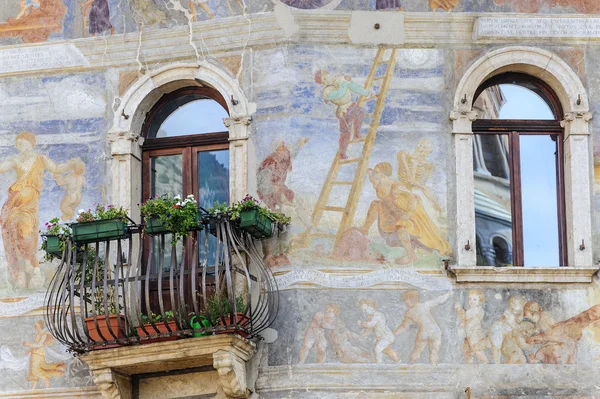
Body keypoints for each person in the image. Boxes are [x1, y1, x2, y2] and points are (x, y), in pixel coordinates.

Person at [0, 132, 71, 289]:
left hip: (30, 204)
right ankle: (21, 272)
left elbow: (57, 169)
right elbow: (2, 167)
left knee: (26, 232)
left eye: (24, 144)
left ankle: (29, 265)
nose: (22, 148)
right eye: (19, 145)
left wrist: (72, 164)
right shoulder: (15, 160)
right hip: (15, 202)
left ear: (32, 143)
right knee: (14, 232)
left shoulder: (41, 159)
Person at [314, 69, 370, 160]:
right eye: (323, 82)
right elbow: (340, 94)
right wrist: (345, 82)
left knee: (360, 112)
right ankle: (342, 154)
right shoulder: (327, 91)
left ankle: (357, 134)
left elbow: (353, 87)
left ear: (329, 74)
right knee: (345, 133)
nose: (325, 82)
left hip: (351, 106)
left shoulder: (340, 79)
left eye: (325, 78)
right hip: (343, 111)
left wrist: (365, 93)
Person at [527, 305, 600, 364]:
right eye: (590, 310)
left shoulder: (585, 336)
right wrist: (540, 337)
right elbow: (556, 330)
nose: (589, 313)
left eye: (594, 314)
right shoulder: (571, 323)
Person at [394, 290, 451, 366]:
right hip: (435, 331)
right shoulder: (424, 305)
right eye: (405, 300)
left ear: (413, 299)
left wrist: (394, 333)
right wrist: (449, 294)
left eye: (408, 300)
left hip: (425, 332)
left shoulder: (409, 312)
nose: (406, 302)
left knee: (418, 351)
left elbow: (404, 326)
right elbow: (438, 300)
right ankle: (432, 368)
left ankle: (411, 366)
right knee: (433, 351)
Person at [23, 321, 66, 390]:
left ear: (40, 326)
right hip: (34, 354)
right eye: (35, 326)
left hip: (39, 354)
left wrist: (28, 345)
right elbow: (35, 343)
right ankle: (33, 389)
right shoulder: (37, 334)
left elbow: (39, 345)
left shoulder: (44, 335)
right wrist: (29, 350)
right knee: (33, 371)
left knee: (35, 370)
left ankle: (47, 384)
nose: (35, 327)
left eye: (37, 326)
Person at [358, 298, 399, 364]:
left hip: (386, 336)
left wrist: (361, 323)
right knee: (386, 350)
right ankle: (397, 361)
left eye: (365, 309)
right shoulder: (371, 316)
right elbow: (368, 330)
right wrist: (362, 336)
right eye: (363, 310)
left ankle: (379, 364)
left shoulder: (378, 315)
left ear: (371, 306)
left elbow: (370, 325)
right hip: (381, 337)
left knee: (377, 349)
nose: (364, 312)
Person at [489, 295, 526, 364]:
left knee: (516, 352)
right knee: (497, 347)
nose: (513, 305)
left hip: (508, 332)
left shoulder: (520, 314)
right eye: (512, 303)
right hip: (499, 329)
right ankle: (496, 363)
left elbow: (518, 323)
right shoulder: (508, 313)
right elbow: (512, 324)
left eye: (516, 304)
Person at [455, 289, 489, 363]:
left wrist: (464, 323)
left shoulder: (478, 310)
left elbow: (473, 321)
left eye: (475, 299)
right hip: (468, 334)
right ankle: (469, 363)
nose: (471, 301)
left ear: (480, 301)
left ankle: (485, 361)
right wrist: (459, 309)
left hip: (475, 334)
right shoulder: (470, 310)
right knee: (466, 350)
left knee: (477, 350)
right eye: (470, 299)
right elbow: (464, 317)